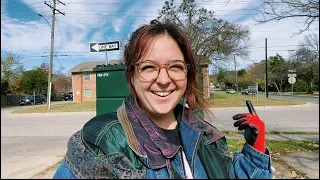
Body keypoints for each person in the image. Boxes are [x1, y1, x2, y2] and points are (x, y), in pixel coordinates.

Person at [53, 19, 274, 179]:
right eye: (149, 67)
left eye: (175, 67)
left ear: (187, 74)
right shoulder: (101, 143)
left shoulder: (205, 134)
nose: (164, 80)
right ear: (131, 75)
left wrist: (255, 151)